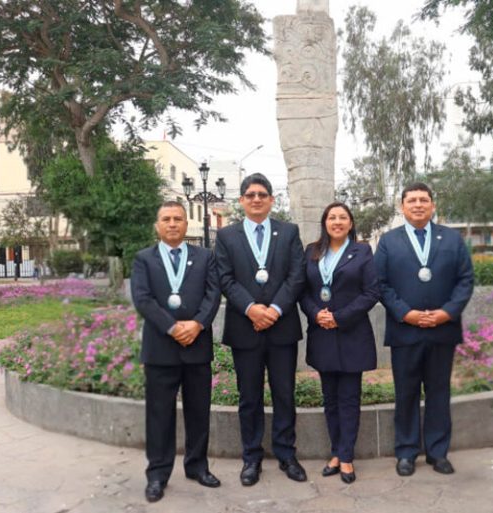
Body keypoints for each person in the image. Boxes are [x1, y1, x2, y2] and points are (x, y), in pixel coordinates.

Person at [374, 182, 474, 477]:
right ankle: (406, 453)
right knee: (405, 393)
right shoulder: (388, 241)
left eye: (423, 200)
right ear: (402, 206)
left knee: (438, 393)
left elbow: (465, 280)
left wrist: (446, 314)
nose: (418, 204)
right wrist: (406, 314)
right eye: (412, 200)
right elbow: (380, 284)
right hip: (405, 331)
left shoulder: (452, 239)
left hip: (442, 331)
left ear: (433, 205)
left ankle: (437, 452)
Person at [214, 173, 307, 486]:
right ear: (241, 201)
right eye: (250, 194)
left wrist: (275, 309)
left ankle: (286, 454)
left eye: (262, 194)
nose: (256, 199)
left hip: (282, 328)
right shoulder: (226, 236)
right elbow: (225, 278)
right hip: (245, 327)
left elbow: (297, 276)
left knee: (284, 394)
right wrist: (252, 308)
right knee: (249, 397)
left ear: (271, 199)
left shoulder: (289, 232)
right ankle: (251, 458)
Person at [130, 201, 222, 503]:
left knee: (199, 412)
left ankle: (197, 466)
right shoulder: (144, 258)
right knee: (159, 415)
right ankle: (157, 474)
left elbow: (213, 294)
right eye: (166, 219)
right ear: (157, 225)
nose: (172, 224)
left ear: (186, 225)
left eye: (178, 219)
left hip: (197, 346)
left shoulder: (205, 257)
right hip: (160, 350)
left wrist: (196, 325)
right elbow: (143, 299)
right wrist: (173, 328)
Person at [299, 202, 380, 484]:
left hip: (351, 334)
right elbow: (303, 291)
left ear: (350, 223)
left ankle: (346, 457)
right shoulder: (312, 251)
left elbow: (371, 292)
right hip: (321, 333)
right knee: (330, 400)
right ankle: (335, 451)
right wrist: (315, 313)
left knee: (348, 398)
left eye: (342, 217)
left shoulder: (362, 251)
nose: (337, 222)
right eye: (332, 217)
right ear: (325, 222)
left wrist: (339, 317)